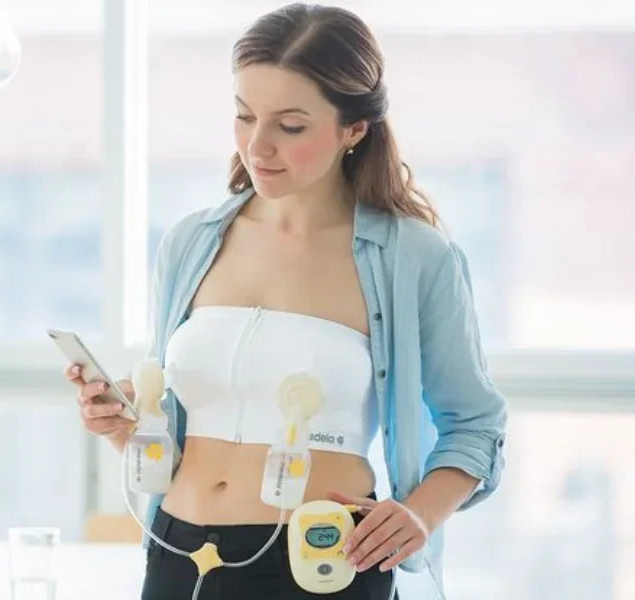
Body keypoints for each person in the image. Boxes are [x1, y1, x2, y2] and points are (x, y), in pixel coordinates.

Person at [65, 3, 508, 599]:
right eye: (244, 117)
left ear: (354, 129)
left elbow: (476, 426)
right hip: (178, 554)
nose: (258, 145)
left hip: (322, 561)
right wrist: (127, 425)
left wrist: (420, 515)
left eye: (290, 125)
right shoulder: (192, 242)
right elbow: (178, 430)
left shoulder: (413, 258)